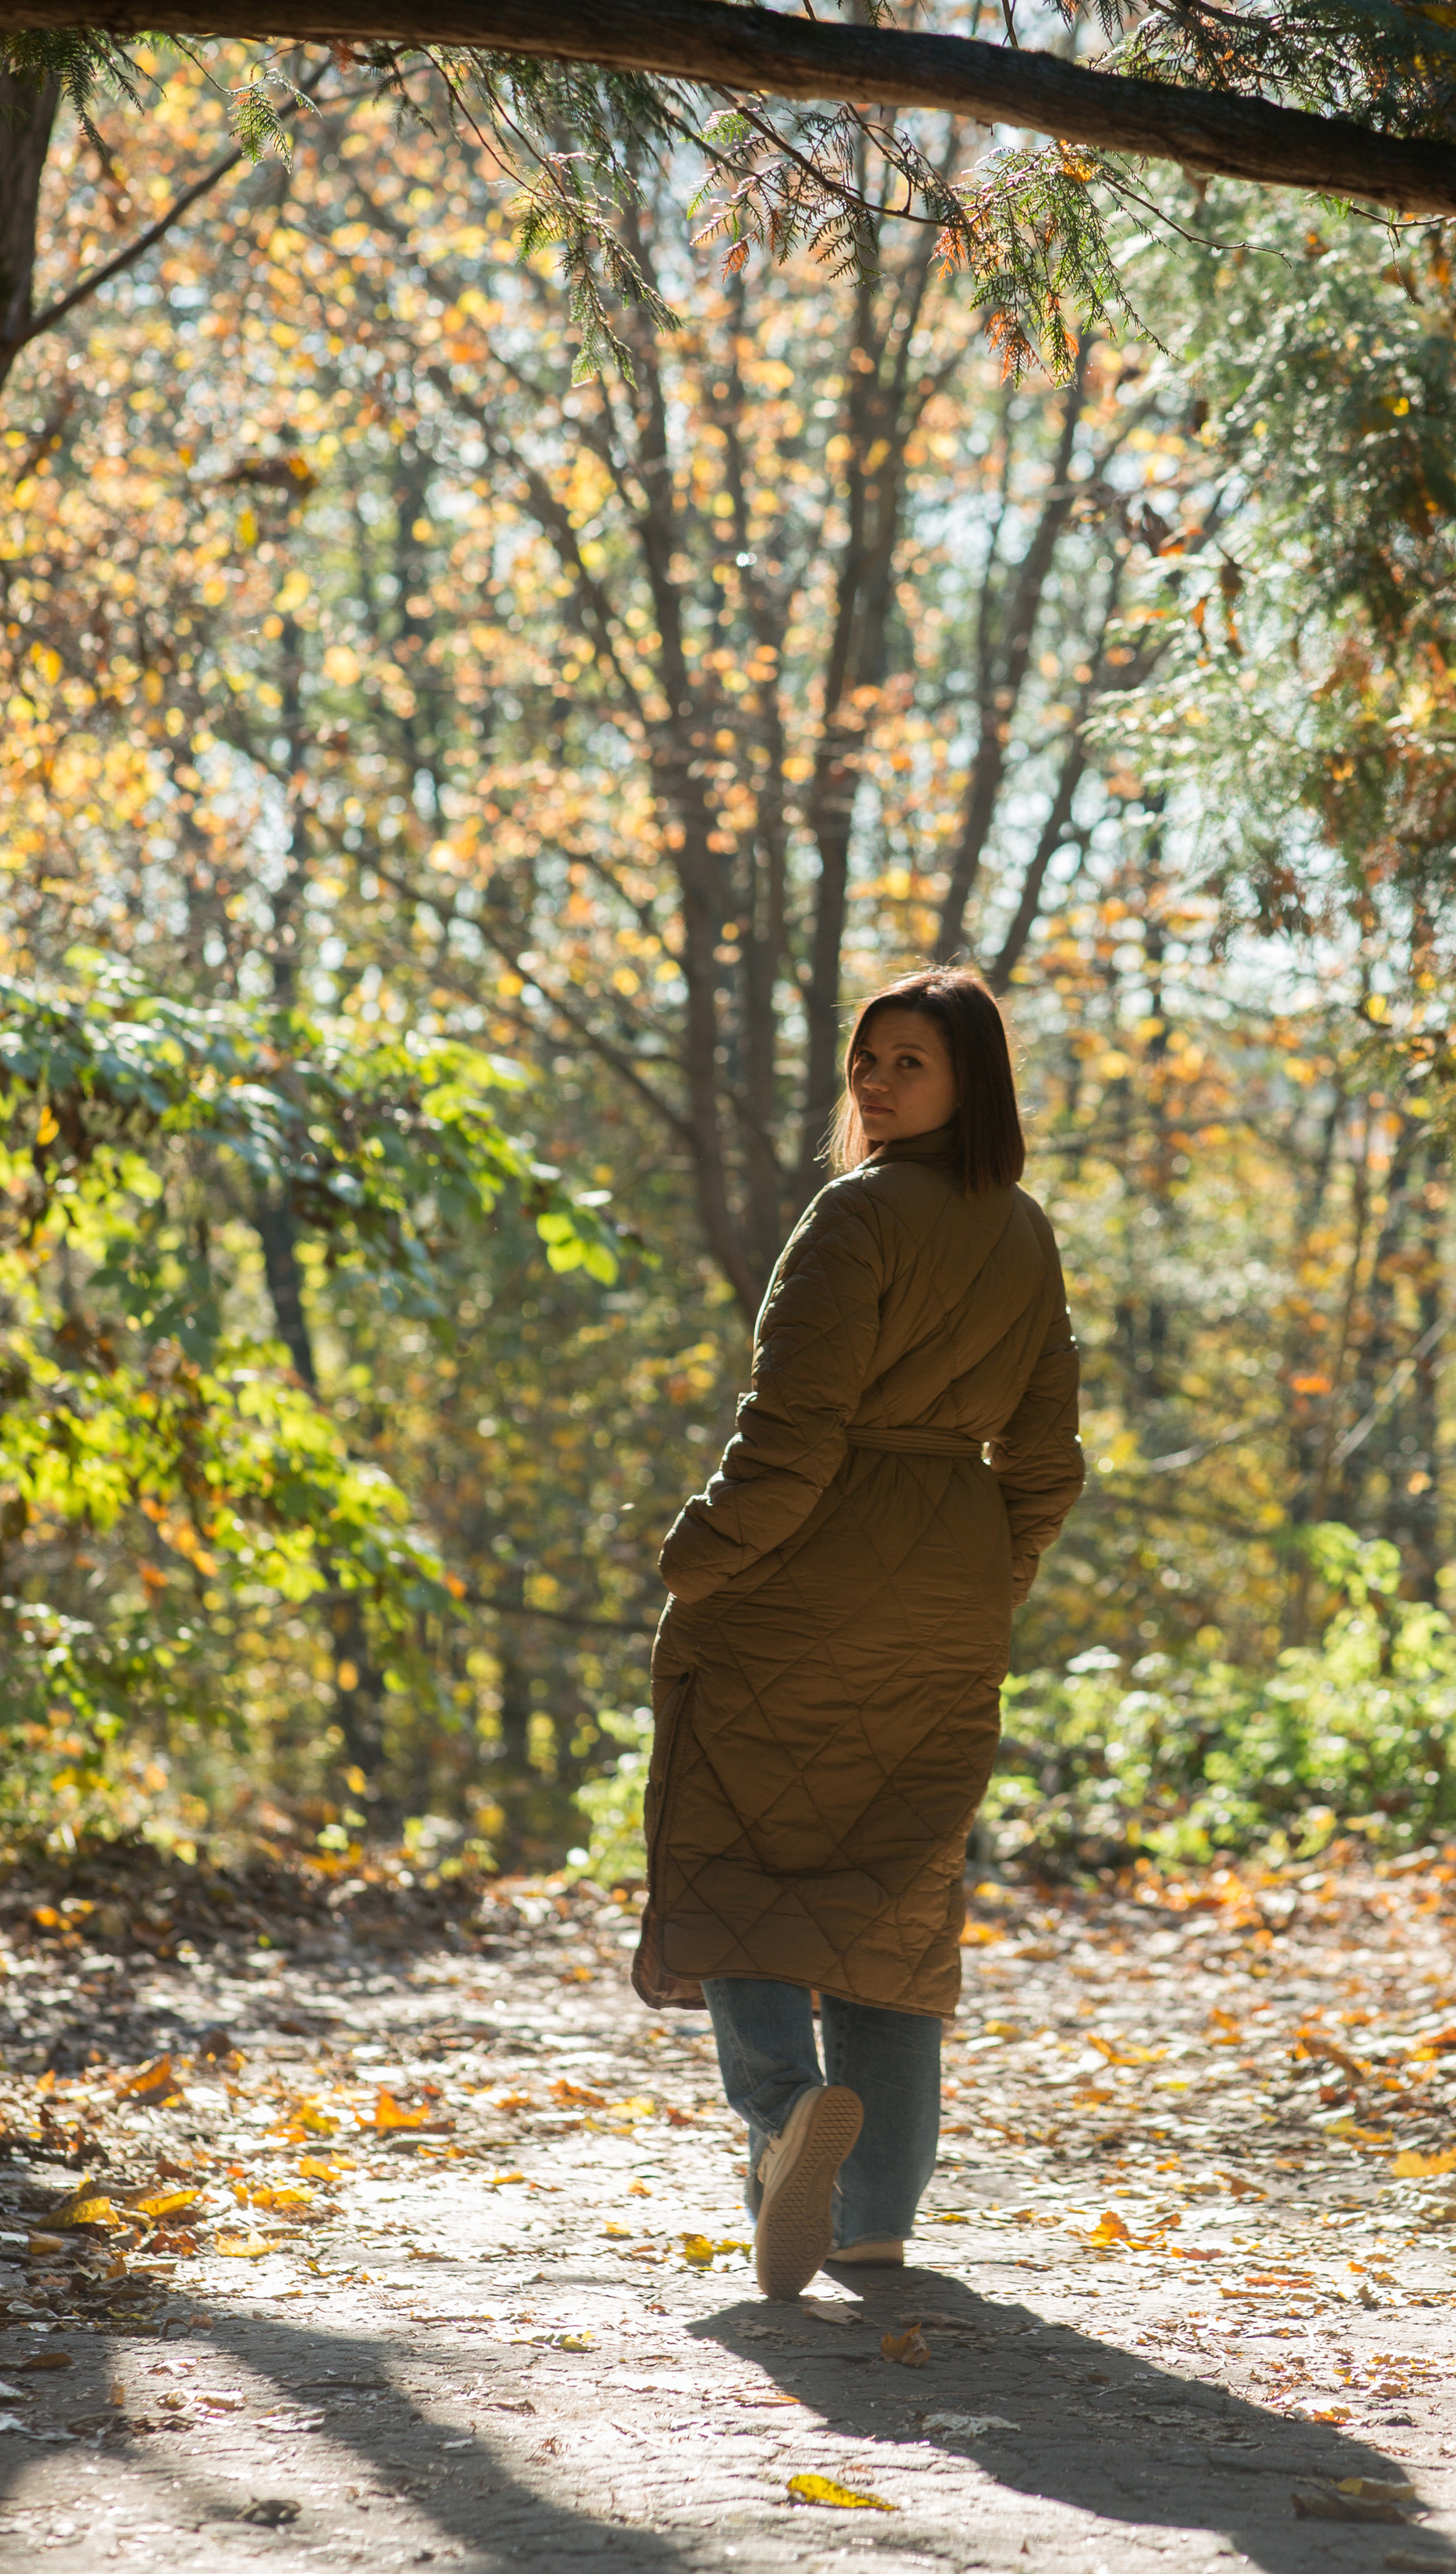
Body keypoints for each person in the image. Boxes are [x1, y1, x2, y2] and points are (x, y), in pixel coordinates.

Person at [633, 966, 1085, 2299]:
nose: (877, 1084)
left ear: (970, 1083)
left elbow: (791, 1434)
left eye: (909, 1063)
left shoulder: (855, 1216)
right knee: (897, 1896)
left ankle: (786, 2117)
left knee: (738, 1864)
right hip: (951, 1590)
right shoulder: (1026, 1232)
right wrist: (989, 1582)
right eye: (867, 1061)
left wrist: (698, 1557)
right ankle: (874, 2218)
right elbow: (1046, 1459)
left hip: (803, 1579)